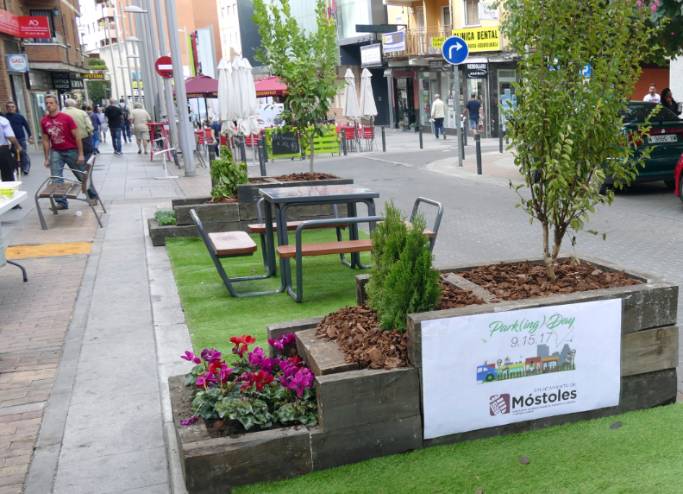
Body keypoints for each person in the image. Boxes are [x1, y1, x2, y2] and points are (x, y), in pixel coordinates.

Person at [40, 94, 97, 209]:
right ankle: (61, 202)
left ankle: (92, 196)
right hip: (56, 151)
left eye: (51, 103)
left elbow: (77, 137)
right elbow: (45, 140)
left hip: (71, 150)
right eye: (47, 103)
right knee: (56, 177)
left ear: (57, 104)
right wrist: (46, 158)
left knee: (81, 175)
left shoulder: (66, 118)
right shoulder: (44, 121)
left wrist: (80, 154)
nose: (49, 105)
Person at [4, 101, 32, 175]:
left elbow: (26, 126)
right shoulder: (5, 118)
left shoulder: (20, 116)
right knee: (16, 154)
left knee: (23, 153)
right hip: (11, 140)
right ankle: (16, 168)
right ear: (6, 108)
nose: (11, 108)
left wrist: (30, 136)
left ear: (15, 108)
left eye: (12, 107)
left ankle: (25, 168)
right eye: (9, 107)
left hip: (21, 138)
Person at [0, 113, 22, 182]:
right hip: (2, 150)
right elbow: (10, 136)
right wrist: (18, 146)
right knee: (7, 176)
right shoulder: (3, 121)